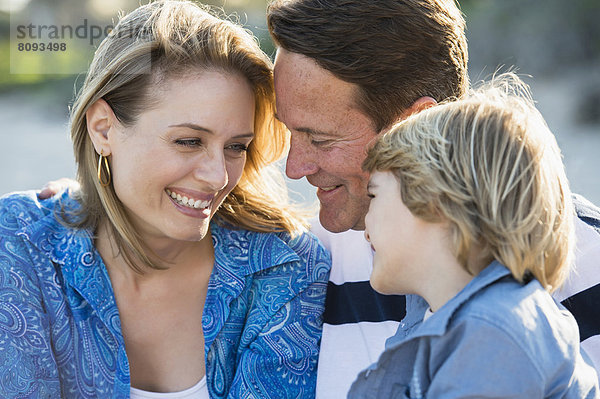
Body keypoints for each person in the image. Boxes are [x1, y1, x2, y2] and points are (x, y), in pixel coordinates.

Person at [266, 0, 600, 396]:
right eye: (288, 131)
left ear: (414, 125)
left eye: (320, 138)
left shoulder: (587, 263)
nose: (294, 167)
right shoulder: (304, 267)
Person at [0, 1, 330, 398]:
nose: (218, 176)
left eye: (236, 147)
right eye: (189, 141)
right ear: (103, 129)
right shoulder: (19, 244)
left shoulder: (284, 267)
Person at [347, 73, 599, 398]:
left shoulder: (498, 330)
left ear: (434, 201)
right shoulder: (449, 322)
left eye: (375, 195)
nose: (365, 224)